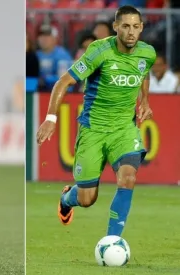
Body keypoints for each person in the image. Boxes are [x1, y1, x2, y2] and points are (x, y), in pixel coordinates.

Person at [36, 5, 156, 237]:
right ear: (115, 27)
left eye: (135, 27)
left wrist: (145, 101)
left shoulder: (147, 53)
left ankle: (113, 241)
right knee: (87, 198)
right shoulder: (99, 51)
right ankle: (67, 198)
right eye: (125, 26)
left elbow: (144, 71)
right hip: (93, 130)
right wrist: (51, 118)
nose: (131, 32)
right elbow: (63, 82)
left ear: (141, 28)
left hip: (124, 129)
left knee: (128, 177)